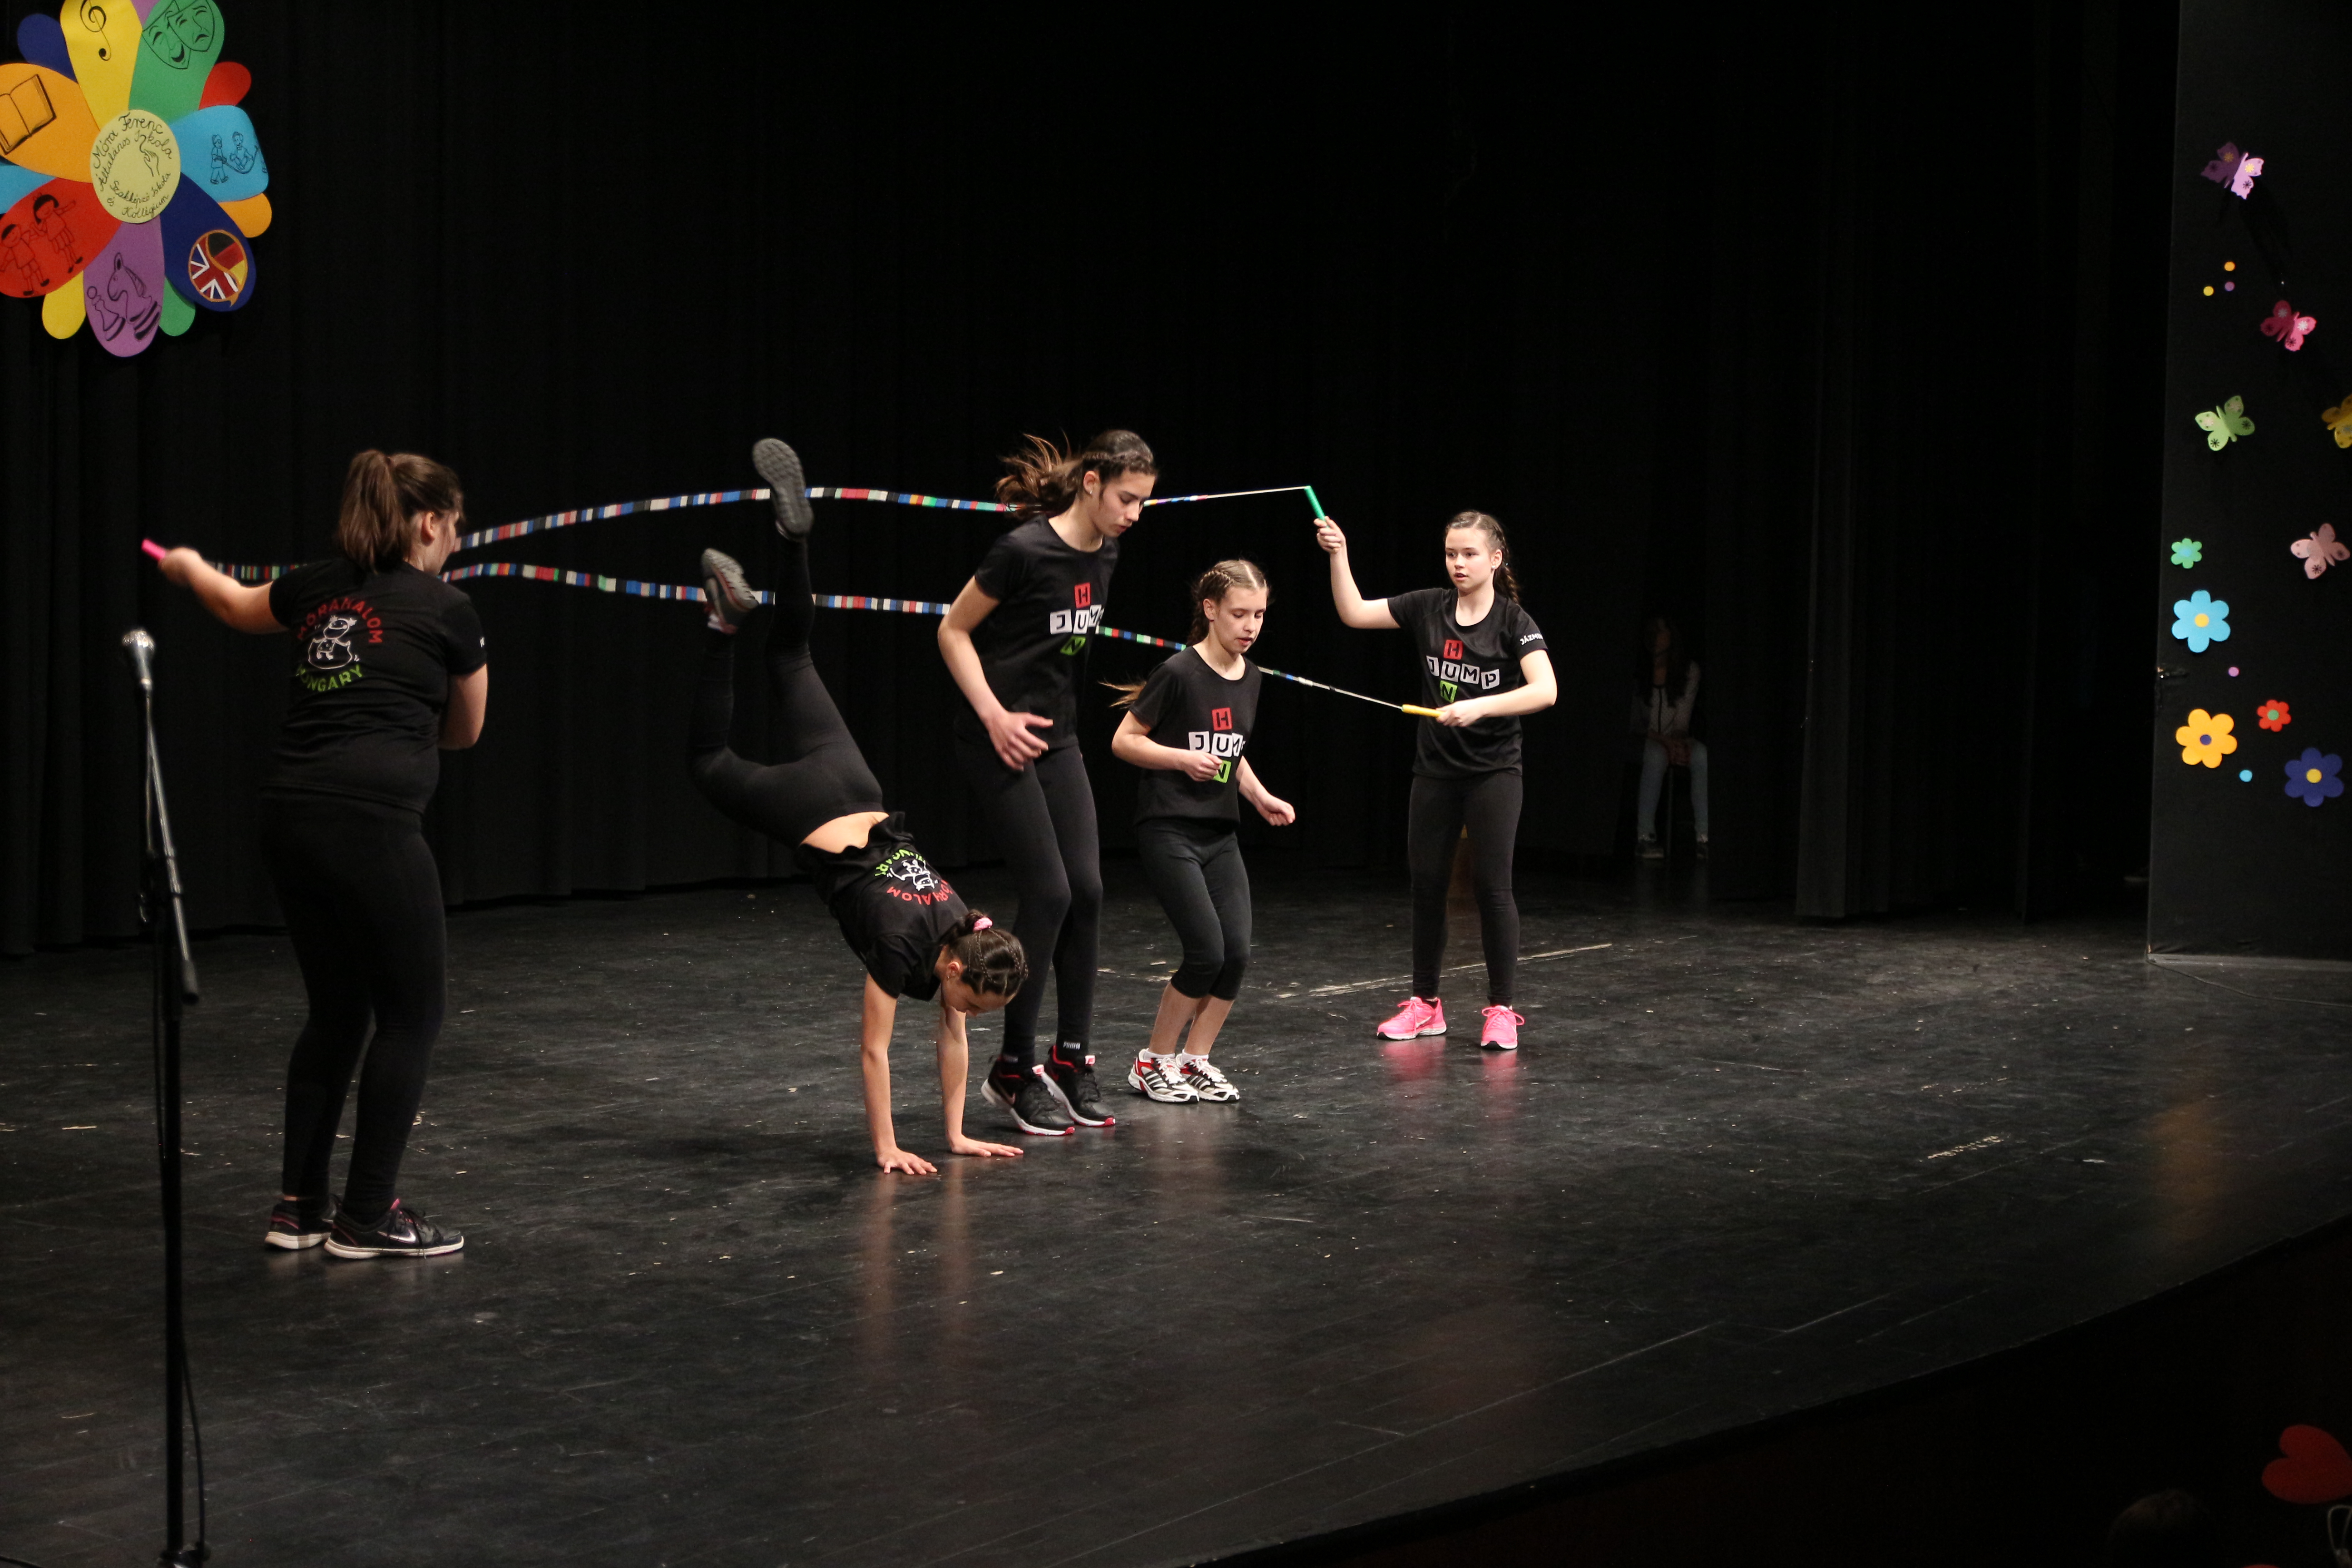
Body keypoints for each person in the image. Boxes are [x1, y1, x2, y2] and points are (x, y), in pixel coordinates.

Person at [154, 450, 488, 1259]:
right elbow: (466, 731)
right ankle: (368, 1216)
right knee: (411, 1017)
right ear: (430, 523)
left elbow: (232, 604)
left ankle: (300, 1207)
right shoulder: (450, 609)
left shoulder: (313, 587)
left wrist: (188, 565)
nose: (456, 540)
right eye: (455, 526)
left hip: (290, 818)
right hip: (372, 826)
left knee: (338, 1012)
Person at [693, 439, 1032, 1174]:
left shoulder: (965, 927)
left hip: (857, 785)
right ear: (953, 970)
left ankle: (793, 541)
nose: (969, 1019)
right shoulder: (902, 949)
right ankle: (721, 627)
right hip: (813, 812)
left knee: (792, 656)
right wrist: (887, 1148)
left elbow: (952, 1033)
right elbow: (874, 1050)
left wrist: (955, 1136)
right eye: (975, 1004)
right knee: (709, 763)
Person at [937, 431, 1156, 1135]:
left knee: (1087, 890)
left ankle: (1071, 1058)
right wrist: (993, 714)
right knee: (1050, 892)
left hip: (1056, 738)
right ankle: (1013, 1067)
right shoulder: (1023, 551)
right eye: (1127, 499)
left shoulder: (1108, 552)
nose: (1134, 514)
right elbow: (952, 632)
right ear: (1092, 483)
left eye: (1143, 502)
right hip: (996, 736)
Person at [1315, 509, 1556, 1049]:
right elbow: (1354, 612)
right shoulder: (1428, 606)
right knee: (1427, 885)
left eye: (1469, 554)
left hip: (1493, 772)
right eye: (1451, 553)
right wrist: (1339, 555)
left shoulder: (1514, 621)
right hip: (1436, 771)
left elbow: (1546, 690)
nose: (1458, 563)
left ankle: (1502, 1009)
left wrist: (1481, 707)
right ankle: (1425, 1005)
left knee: (1493, 887)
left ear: (1496, 559)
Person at [1107, 560, 1296, 1104]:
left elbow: (1230, 750)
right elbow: (1124, 741)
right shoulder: (1178, 673)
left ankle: (1195, 1060)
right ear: (1210, 610)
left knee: (1235, 954)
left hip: (1220, 834)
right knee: (1206, 952)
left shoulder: (1252, 677)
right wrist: (1180, 759)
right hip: (1170, 830)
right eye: (1239, 614)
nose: (1250, 626)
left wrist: (1259, 795)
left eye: (1259, 615)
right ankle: (1152, 1061)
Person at [1632, 613, 1707, 858]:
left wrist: (1678, 742)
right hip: (1645, 739)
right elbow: (1635, 725)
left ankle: (1704, 838)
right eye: (1653, 630)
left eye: (1662, 630)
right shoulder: (1638, 671)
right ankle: (1645, 837)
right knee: (1656, 756)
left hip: (1672, 738)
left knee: (1701, 755)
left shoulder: (1688, 671)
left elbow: (1682, 721)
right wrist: (1665, 742)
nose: (1657, 636)